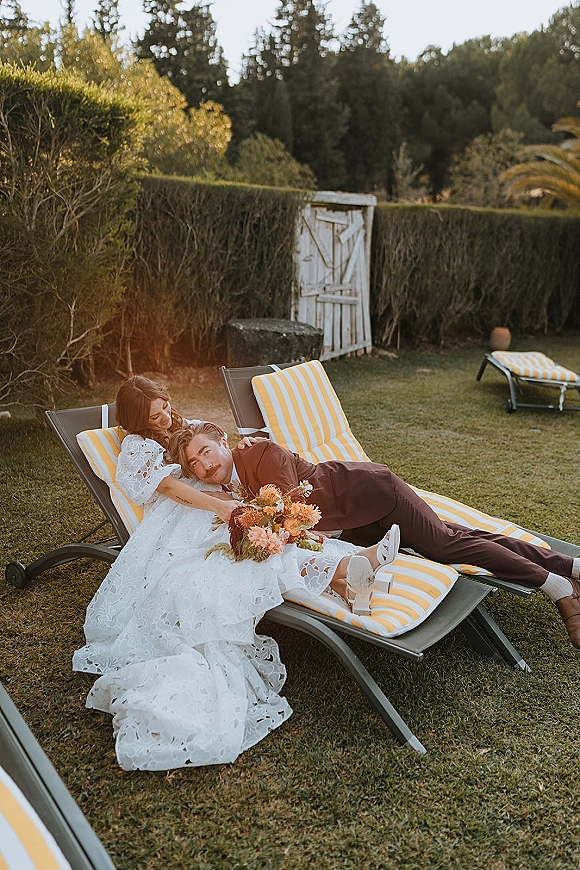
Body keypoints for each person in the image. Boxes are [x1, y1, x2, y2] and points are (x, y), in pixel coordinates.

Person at [73, 376, 399, 771]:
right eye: (151, 416)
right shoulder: (136, 447)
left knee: (272, 537)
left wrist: (239, 449)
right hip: (185, 516)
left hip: (226, 496)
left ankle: (348, 578)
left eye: (163, 408)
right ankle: (351, 570)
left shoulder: (182, 422)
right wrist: (219, 508)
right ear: (135, 420)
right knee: (244, 553)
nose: (162, 419)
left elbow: (215, 445)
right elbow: (173, 490)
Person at [172, 422, 580, 650]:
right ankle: (570, 565)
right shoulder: (231, 488)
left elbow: (285, 511)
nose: (204, 466)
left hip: (373, 493)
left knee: (443, 545)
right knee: (456, 534)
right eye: (195, 463)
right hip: (358, 523)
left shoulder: (260, 454)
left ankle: (557, 587)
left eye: (207, 451)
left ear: (223, 442)